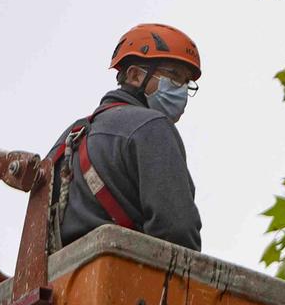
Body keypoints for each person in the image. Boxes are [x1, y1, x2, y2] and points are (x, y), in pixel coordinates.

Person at [45, 23, 205, 252]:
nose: (181, 89)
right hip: (124, 279)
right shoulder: (151, 127)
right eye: (175, 76)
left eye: (187, 82)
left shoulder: (68, 139)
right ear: (134, 75)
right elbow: (178, 231)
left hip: (62, 282)